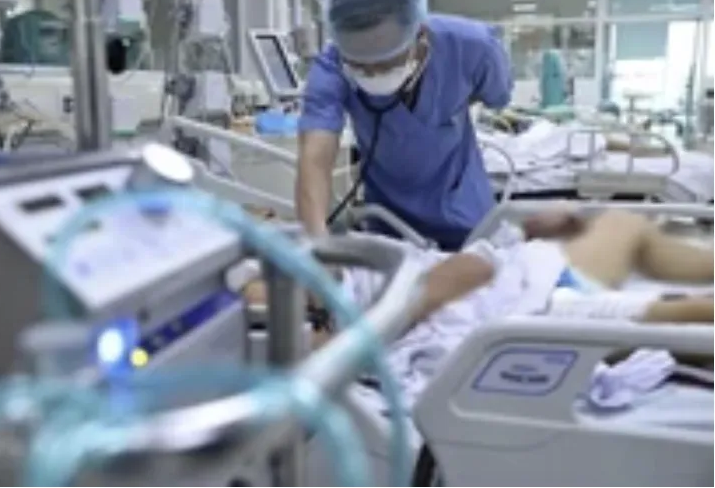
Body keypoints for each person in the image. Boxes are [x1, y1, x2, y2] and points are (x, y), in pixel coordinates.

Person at [237, 209, 713, 351]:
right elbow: (467, 273)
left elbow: (468, 268)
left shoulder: (331, 271)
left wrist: (516, 237)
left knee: (624, 224)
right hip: (532, 306)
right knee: (689, 317)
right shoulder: (252, 300)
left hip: (522, 273)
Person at [296, 0, 513, 251]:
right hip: (388, 221)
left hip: (466, 217)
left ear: (419, 35)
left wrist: (448, 107)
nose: (372, 74)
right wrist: (316, 246)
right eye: (359, 66)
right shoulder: (331, 65)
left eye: (386, 63)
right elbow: (315, 158)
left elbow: (496, 96)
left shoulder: (473, 47)